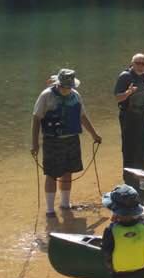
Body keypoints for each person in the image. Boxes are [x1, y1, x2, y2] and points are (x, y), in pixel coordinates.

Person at [31, 68, 102, 217]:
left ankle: (65, 204)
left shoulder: (76, 96)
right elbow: (36, 118)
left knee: (68, 171)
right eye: (65, 86)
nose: (68, 89)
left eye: (70, 87)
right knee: (51, 174)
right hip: (52, 140)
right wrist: (35, 143)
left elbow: (83, 117)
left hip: (72, 139)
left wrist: (94, 134)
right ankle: (50, 209)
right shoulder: (46, 96)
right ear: (59, 84)